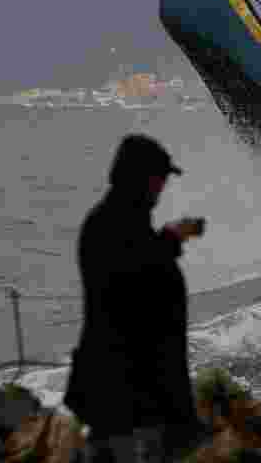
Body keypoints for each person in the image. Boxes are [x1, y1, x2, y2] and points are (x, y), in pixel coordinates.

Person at [64, 134, 210, 463]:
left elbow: (139, 265)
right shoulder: (110, 225)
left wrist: (169, 239)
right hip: (124, 394)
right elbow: (131, 283)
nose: (161, 189)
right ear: (138, 178)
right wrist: (169, 241)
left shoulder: (125, 225)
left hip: (137, 392)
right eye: (157, 180)